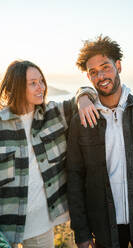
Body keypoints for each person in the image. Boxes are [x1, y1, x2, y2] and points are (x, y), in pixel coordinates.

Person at [66, 35, 133, 248]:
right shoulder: (81, 121)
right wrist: (82, 234)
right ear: (89, 77)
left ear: (118, 66)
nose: (101, 76)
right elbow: (74, 178)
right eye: (93, 72)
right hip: (104, 227)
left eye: (106, 67)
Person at [0, 60, 98, 248]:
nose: (41, 88)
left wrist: (84, 99)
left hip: (40, 223)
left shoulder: (54, 114)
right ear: (16, 87)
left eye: (42, 81)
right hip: (5, 227)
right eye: (33, 83)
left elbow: (87, 90)